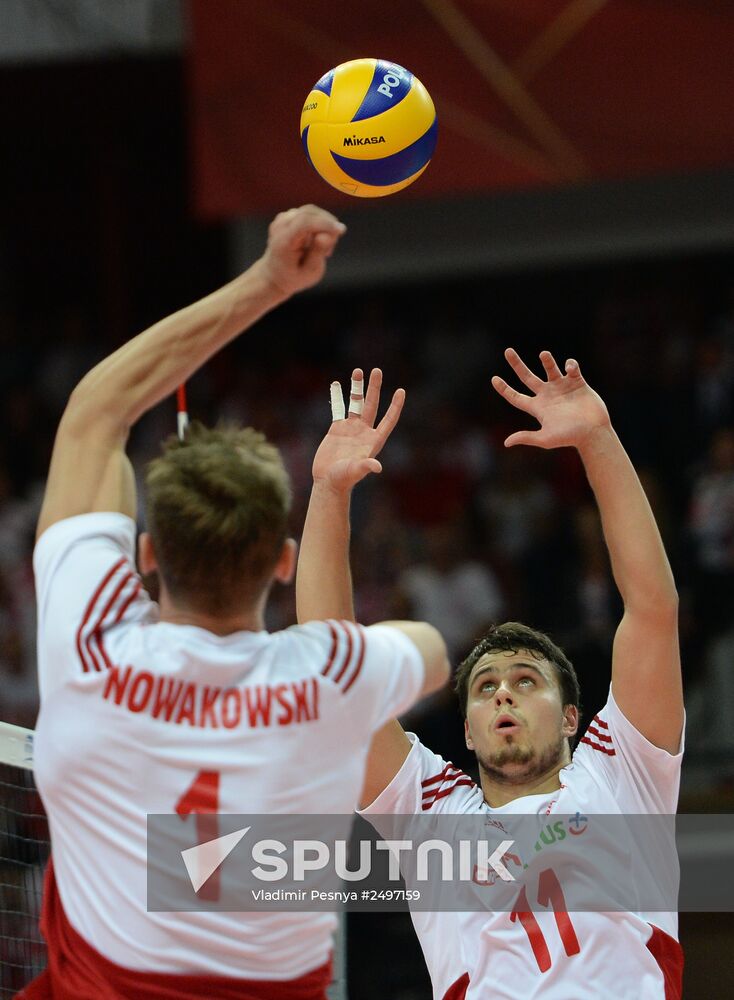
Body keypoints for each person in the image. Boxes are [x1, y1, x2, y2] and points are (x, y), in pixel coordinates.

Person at [24, 205, 450, 1000]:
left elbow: (96, 420)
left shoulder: (88, 647)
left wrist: (267, 281)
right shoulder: (335, 672)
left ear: (146, 559)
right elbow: (427, 645)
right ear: (284, 563)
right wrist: (329, 497)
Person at [297, 349, 684, 999]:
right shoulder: (433, 814)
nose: (503, 690)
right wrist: (330, 495)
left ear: (570, 717)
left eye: (526, 680)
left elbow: (652, 608)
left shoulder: (623, 771)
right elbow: (336, 676)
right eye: (485, 688)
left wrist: (597, 438)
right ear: (469, 733)